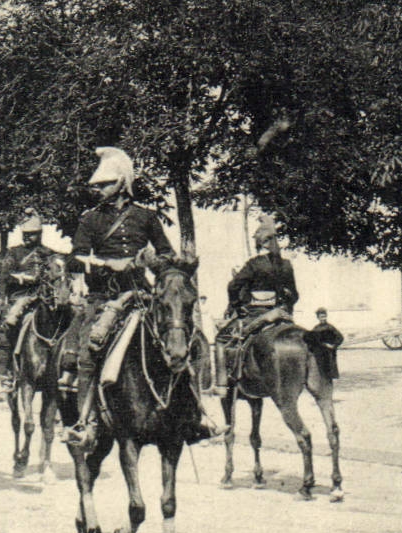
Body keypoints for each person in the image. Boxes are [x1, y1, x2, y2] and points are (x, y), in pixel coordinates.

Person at [62, 147, 219, 449]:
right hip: (103, 298)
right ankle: (86, 423)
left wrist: (150, 261)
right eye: (98, 185)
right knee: (88, 350)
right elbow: (75, 259)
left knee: (186, 343)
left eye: (105, 184)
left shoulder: (146, 217)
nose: (99, 189)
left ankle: (194, 416)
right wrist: (106, 264)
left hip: (141, 295)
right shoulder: (90, 220)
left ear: (122, 183)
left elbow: (166, 254)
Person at [217, 220, 299, 385]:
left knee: (221, 339)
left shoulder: (254, 264)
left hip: (256, 314)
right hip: (281, 314)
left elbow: (233, 286)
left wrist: (238, 306)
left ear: (261, 243)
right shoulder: (287, 265)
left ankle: (221, 383)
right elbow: (295, 296)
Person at [0, 214, 49, 398]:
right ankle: (6, 380)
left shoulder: (48, 253)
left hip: (42, 298)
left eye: (32, 234)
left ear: (40, 234)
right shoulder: (13, 253)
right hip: (18, 297)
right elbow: (4, 276)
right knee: (4, 335)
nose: (27, 237)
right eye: (25, 234)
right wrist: (20, 278)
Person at [306, 307, 344, 382]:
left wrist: (333, 345)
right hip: (319, 353)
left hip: (329, 353)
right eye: (321, 317)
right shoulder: (316, 328)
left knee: (329, 373)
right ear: (318, 318)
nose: (323, 318)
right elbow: (312, 340)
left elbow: (340, 337)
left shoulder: (330, 327)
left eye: (324, 316)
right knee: (320, 372)